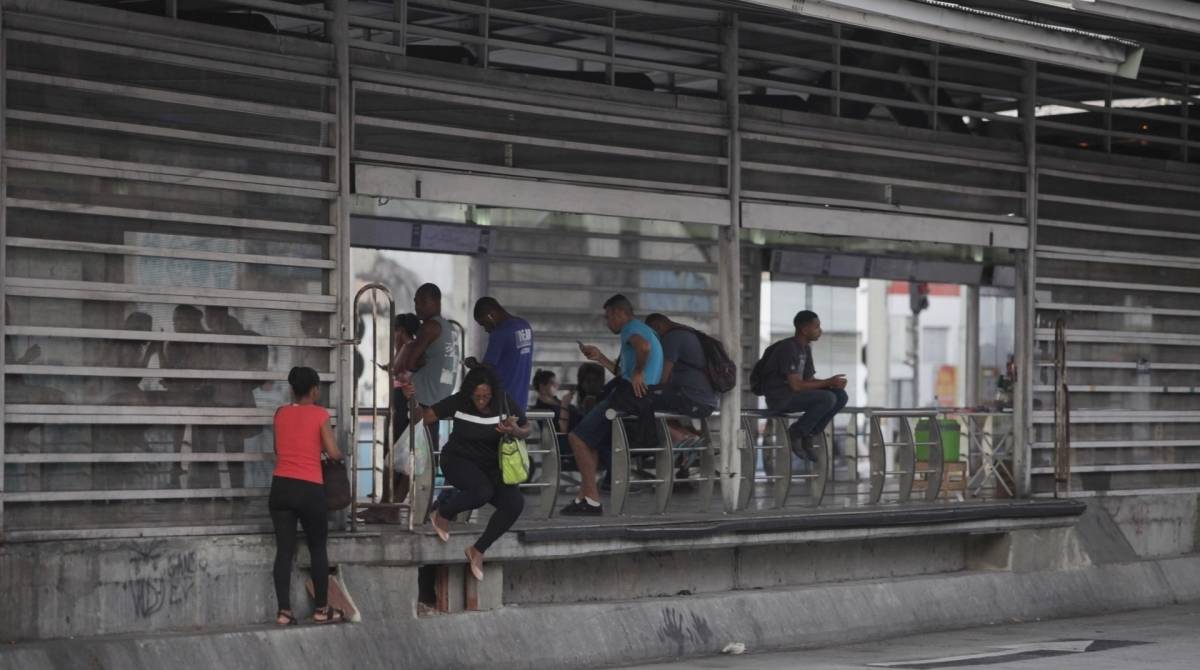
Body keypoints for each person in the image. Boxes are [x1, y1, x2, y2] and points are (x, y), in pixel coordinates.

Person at [401, 366, 529, 581]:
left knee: (514, 503)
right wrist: (411, 400)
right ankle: (442, 513)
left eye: (486, 396)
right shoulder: (459, 401)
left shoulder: (503, 402)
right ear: (469, 392)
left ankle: (478, 550)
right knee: (481, 491)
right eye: (477, 396)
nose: (481, 400)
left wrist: (514, 430)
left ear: (493, 393)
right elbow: (423, 418)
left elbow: (527, 428)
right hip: (457, 460)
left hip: (492, 466)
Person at [561, 294, 663, 516]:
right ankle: (585, 497)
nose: (607, 323)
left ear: (619, 313)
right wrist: (599, 357)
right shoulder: (643, 329)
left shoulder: (631, 329)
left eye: (608, 317)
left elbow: (643, 348)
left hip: (629, 396)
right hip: (641, 396)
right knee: (591, 442)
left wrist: (638, 372)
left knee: (576, 438)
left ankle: (592, 500)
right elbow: (621, 372)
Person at [269, 366, 344, 625]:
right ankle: (322, 610)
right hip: (309, 488)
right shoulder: (320, 414)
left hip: (280, 488)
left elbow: (279, 448)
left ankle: (283, 612)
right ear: (314, 390)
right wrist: (336, 452)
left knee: (284, 551)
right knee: (317, 548)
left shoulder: (280, 413)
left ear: (292, 389)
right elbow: (333, 453)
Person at [759, 310, 848, 461]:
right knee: (827, 398)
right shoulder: (788, 348)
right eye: (817, 327)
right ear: (804, 329)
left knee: (840, 396)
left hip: (794, 395)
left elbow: (809, 380)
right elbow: (796, 386)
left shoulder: (805, 349)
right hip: (780, 398)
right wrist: (828, 383)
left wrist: (832, 384)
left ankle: (810, 434)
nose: (820, 331)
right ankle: (795, 433)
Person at [644, 314, 719, 473]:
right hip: (706, 400)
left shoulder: (671, 338)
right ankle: (688, 437)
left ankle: (682, 438)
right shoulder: (690, 334)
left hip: (691, 398)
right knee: (664, 405)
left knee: (642, 400)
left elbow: (662, 377)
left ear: (657, 327)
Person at [400, 283, 460, 445]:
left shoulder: (430, 327)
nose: (417, 307)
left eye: (422, 302)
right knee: (428, 452)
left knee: (410, 453)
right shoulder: (450, 328)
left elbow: (410, 363)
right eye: (416, 302)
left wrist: (418, 359)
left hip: (421, 398)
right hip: (440, 398)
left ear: (436, 302)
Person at [465, 297, 534, 412]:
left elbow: (486, 370)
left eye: (483, 324)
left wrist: (473, 365)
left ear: (490, 315)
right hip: (520, 402)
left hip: (501, 404)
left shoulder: (500, 333)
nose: (486, 329)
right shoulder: (525, 326)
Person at [531, 369, 580, 436]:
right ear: (542, 386)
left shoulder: (556, 400)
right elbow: (562, 432)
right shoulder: (541, 410)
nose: (557, 385)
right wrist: (564, 405)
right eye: (552, 382)